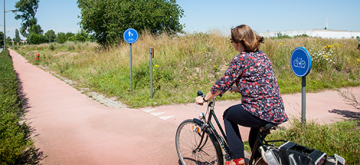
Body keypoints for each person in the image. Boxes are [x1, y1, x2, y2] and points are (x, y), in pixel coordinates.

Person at [195, 24, 288, 165]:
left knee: (228, 115)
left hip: (260, 111)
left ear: (237, 43)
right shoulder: (262, 55)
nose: (231, 44)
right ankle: (260, 161)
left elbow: (223, 83)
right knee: (254, 139)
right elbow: (262, 81)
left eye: (231, 41)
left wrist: (205, 98)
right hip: (276, 110)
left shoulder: (240, 59)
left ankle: (237, 160)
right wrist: (239, 89)